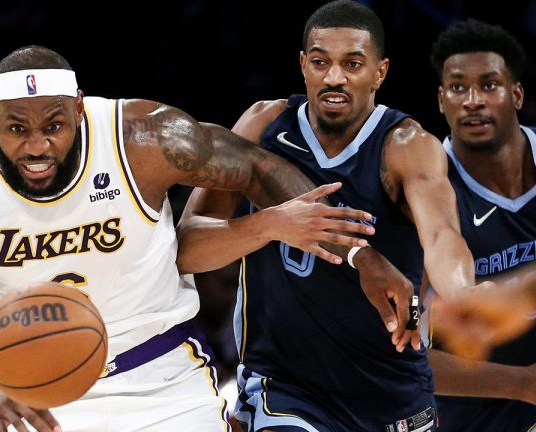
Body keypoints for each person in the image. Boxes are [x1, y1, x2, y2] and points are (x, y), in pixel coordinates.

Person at [0, 45, 376, 432]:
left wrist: (358, 257)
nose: (37, 145)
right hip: (37, 398)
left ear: (79, 110)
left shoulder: (143, 139)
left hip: (166, 384)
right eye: (17, 128)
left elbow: (255, 166)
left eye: (54, 126)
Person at [176, 1, 485, 430]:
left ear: (380, 72)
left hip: (393, 394)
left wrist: (464, 297)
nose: (334, 78)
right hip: (283, 389)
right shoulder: (263, 127)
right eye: (321, 62)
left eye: (352, 64)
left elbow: (442, 238)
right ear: (303, 65)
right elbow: (187, 247)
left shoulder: (406, 144)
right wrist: (270, 224)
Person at [424, 18, 536, 432]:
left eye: (489, 85)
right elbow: (387, 354)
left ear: (516, 94)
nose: (472, 101)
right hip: (480, 412)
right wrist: (526, 382)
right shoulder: (420, 194)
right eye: (458, 87)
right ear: (441, 100)